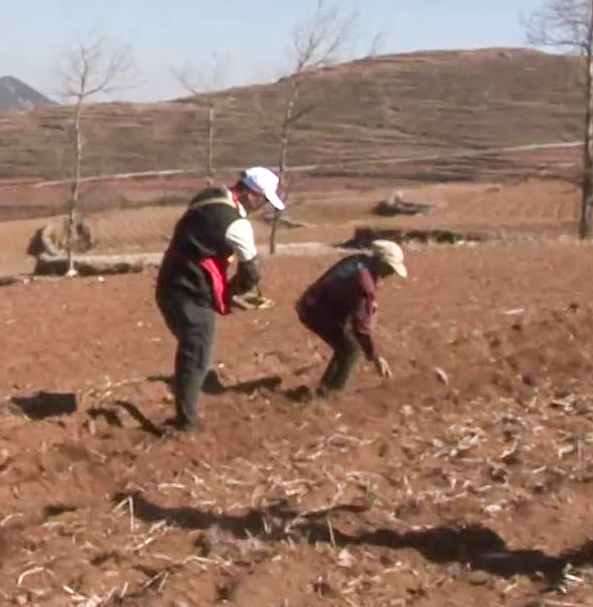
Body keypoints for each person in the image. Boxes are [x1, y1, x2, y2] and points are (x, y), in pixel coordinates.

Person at [155, 166, 283, 430]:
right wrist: (236, 292)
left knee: (192, 345)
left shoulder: (208, 196)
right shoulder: (236, 222)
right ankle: (187, 422)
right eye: (264, 200)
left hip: (168, 283)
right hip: (191, 291)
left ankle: (185, 411)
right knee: (198, 352)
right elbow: (252, 270)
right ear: (252, 194)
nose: (263, 207)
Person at [296, 240, 408, 395]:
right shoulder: (364, 284)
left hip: (316, 304)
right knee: (352, 349)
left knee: (345, 346)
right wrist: (376, 357)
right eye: (390, 268)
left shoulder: (358, 262)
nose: (391, 273)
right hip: (315, 310)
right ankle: (333, 394)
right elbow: (360, 328)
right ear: (380, 262)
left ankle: (326, 388)